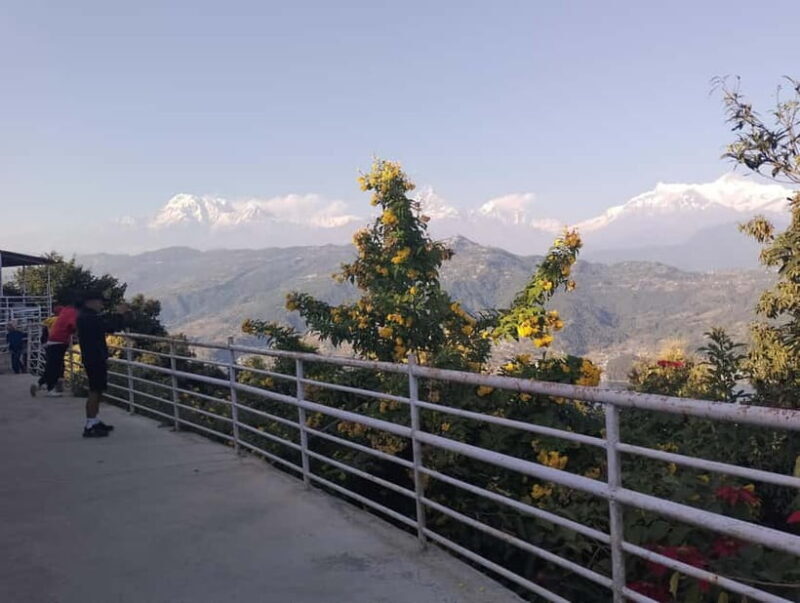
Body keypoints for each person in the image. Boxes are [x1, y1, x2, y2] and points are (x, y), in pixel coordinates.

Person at [76, 290, 129, 438]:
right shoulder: (88, 318)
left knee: (98, 390)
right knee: (95, 390)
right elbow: (110, 327)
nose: (101, 304)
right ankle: (90, 424)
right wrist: (119, 314)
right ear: (90, 302)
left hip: (93, 357)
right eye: (99, 301)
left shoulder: (87, 316)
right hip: (94, 358)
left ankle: (95, 420)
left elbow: (106, 325)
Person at [31, 303, 79, 398]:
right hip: (60, 342)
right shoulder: (73, 312)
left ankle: (39, 384)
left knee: (51, 366)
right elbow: (73, 326)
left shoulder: (65, 311)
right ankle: (50, 388)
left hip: (52, 341)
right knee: (55, 367)